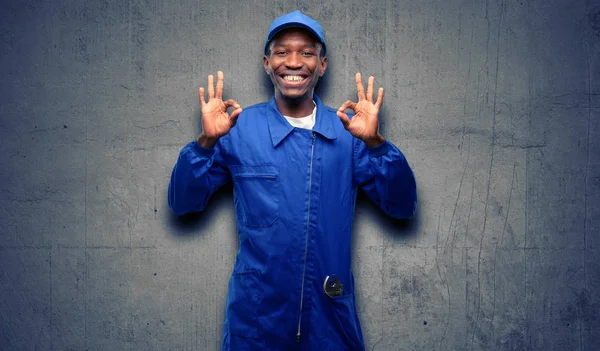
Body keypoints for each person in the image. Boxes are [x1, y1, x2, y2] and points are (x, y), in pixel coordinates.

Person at [168, 10, 417, 351]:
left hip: (329, 321)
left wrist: (376, 144)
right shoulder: (238, 129)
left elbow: (402, 207)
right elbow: (182, 203)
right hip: (256, 322)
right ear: (267, 63)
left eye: (307, 52)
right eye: (282, 52)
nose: (294, 62)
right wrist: (205, 143)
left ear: (323, 65)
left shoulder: (349, 135)